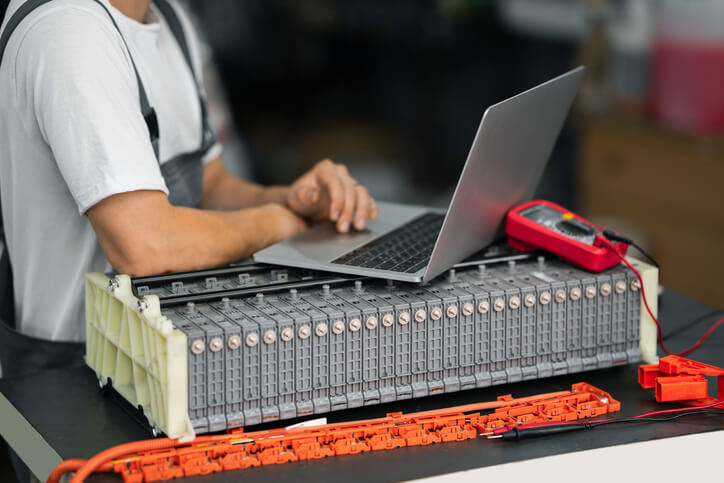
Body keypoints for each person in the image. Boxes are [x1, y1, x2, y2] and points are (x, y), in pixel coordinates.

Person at [0, 0, 377, 378]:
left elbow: (210, 187)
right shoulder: (67, 31)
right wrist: (281, 225)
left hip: (166, 354)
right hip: (73, 380)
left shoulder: (170, 19)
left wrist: (295, 202)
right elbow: (145, 245)